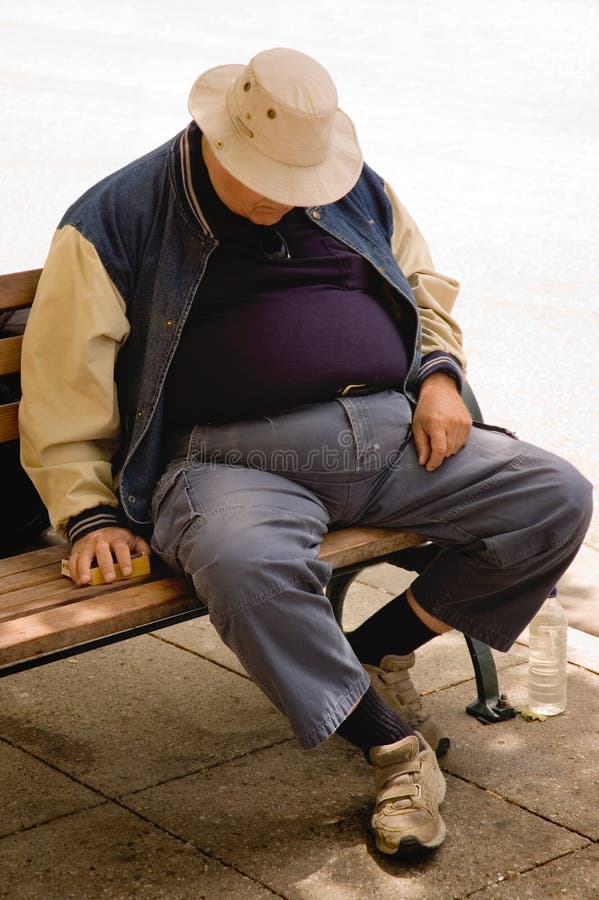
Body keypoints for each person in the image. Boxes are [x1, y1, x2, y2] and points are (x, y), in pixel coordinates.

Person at [19, 47, 592, 858]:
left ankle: (373, 655)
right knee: (246, 568)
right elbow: (59, 378)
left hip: (392, 432)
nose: (291, 201)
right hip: (228, 465)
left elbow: (423, 287)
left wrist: (438, 377)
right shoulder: (118, 216)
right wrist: (88, 514)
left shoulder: (353, 186)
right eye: (270, 183)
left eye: (304, 186)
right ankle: (393, 748)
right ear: (219, 139)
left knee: (552, 496)